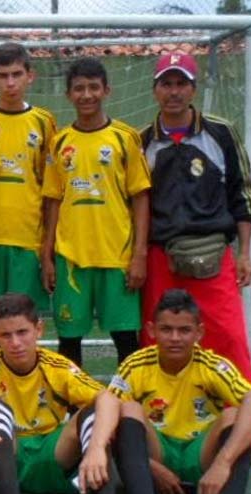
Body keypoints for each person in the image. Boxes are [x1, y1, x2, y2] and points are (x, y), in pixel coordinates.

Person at [138, 52, 251, 470]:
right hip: (161, 257)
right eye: (166, 83)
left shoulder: (220, 133)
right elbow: (136, 206)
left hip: (213, 255)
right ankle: (158, 432)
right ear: (155, 90)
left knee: (230, 340)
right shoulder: (142, 141)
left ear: (193, 88)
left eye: (181, 83)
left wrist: (244, 252)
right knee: (157, 342)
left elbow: (242, 194)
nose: (174, 92)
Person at [0, 293, 160, 494]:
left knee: (95, 411)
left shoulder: (56, 366)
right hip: (7, 455)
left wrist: (97, 448)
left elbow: (108, 398)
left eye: (22, 332)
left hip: (51, 456)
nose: (15, 342)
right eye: (6, 335)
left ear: (39, 329)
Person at [110, 289, 251, 494]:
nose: (175, 338)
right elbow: (106, 418)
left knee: (236, 415)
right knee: (125, 408)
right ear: (151, 330)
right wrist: (150, 465)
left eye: (184, 330)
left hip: (202, 463)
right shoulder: (135, 365)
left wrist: (222, 463)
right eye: (166, 329)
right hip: (155, 462)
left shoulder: (213, 365)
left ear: (199, 332)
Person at [41, 56, 151, 367]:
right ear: (68, 95)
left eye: (93, 87)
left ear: (106, 90)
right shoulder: (60, 142)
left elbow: (141, 197)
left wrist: (139, 254)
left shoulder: (125, 138)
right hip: (71, 257)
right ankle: (73, 397)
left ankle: (128, 396)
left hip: (117, 255)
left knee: (125, 339)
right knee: (69, 340)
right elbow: (53, 200)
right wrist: (47, 254)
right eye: (79, 88)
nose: (86, 95)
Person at [0, 42, 57, 354]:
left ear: (30, 76)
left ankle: (25, 381)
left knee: (23, 324)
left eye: (17, 74)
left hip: (26, 238)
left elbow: (50, 188)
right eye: (3, 75)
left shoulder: (44, 121)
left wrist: (46, 248)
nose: (10, 83)